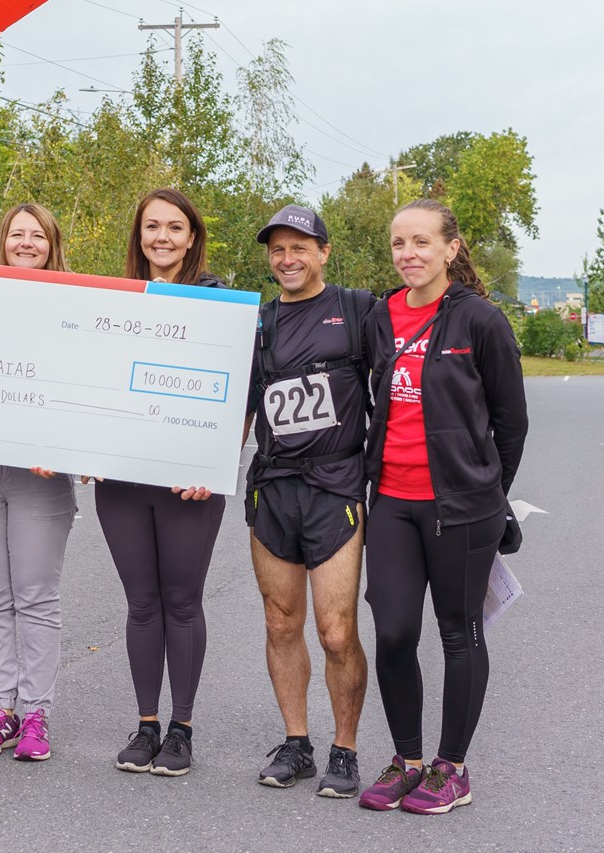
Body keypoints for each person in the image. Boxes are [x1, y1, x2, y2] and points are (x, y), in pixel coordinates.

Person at [357, 199, 528, 814]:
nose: (409, 254)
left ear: (451, 249)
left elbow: (511, 422)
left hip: (462, 508)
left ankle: (451, 768)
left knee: (459, 632)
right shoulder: (381, 317)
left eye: (422, 242)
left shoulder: (481, 321)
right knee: (394, 630)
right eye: (400, 243)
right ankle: (407, 761)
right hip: (393, 503)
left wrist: (484, 486)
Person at [244, 205, 375, 798]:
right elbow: (228, 404)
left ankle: (343, 749)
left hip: (336, 488)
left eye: (300, 246)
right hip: (273, 488)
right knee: (279, 623)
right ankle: (296, 743)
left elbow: (403, 383)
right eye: (277, 249)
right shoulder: (256, 321)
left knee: (337, 632)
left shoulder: (357, 310)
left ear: (324, 251)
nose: (288, 258)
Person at [100, 188, 229, 778]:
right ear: (139, 235)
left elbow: (237, 395)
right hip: (123, 479)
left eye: (175, 228)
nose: (162, 237)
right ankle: (147, 724)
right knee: (141, 603)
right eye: (152, 226)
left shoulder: (218, 303)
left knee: (181, 600)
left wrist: (209, 464)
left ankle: (182, 729)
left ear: (192, 237)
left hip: (188, 484)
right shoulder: (112, 301)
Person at [0, 204, 77, 762]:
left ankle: (35, 715)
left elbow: (84, 389)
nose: (25, 243)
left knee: (35, 597)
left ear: (52, 245)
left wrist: (67, 445)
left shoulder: (76, 308)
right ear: (1, 240)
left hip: (41, 476)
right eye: (16, 234)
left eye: (37, 236)